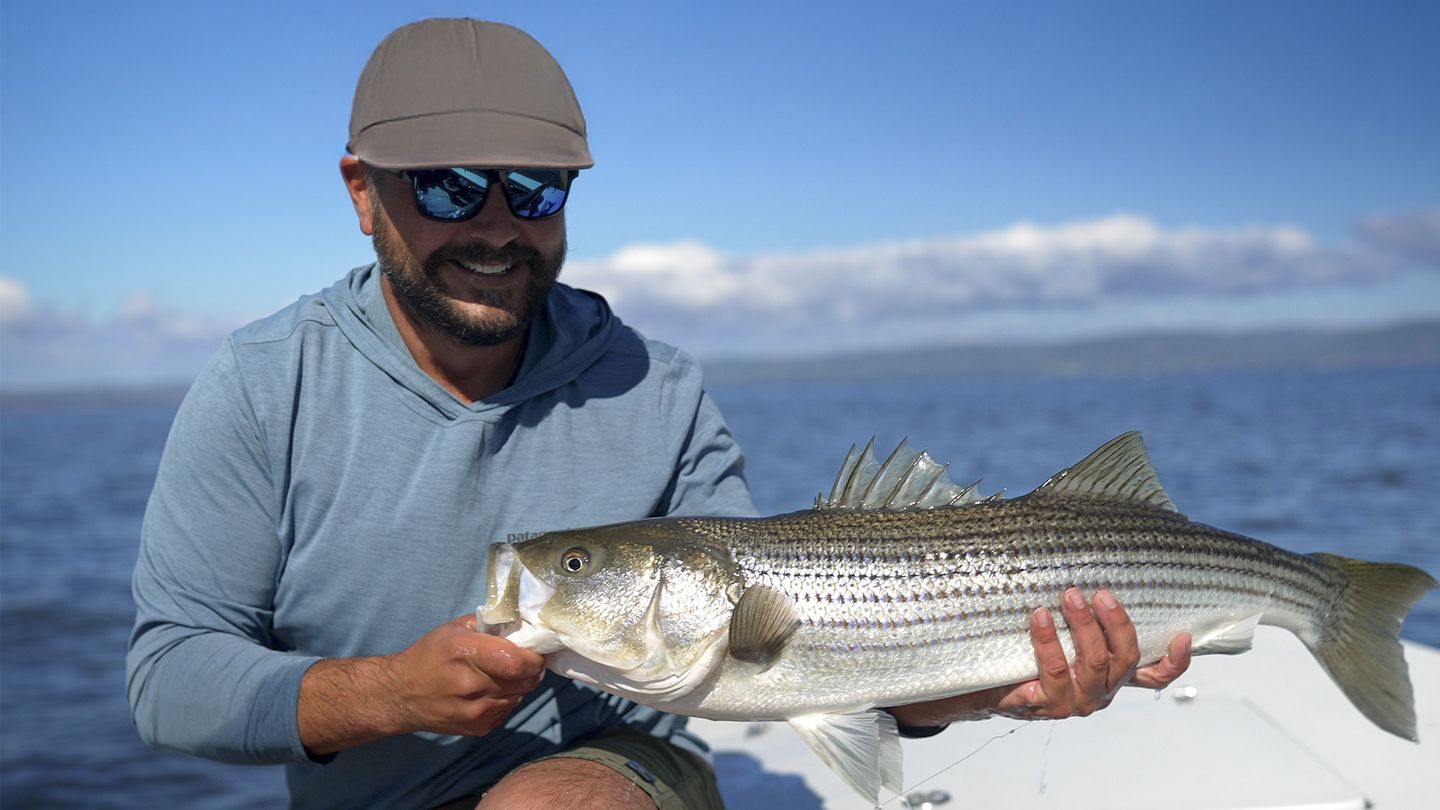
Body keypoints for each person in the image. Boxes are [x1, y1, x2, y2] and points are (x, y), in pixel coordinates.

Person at [126, 18, 1192, 810]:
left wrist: (977, 687)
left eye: (535, 187)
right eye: (447, 188)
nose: (496, 225)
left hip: (615, 775)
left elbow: (789, 661)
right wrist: (390, 695)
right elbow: (169, 677)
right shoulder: (262, 384)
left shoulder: (657, 382)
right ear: (363, 193)